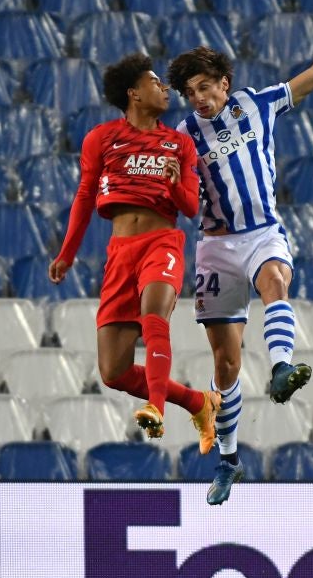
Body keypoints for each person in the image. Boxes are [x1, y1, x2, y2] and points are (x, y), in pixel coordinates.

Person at [166, 5, 313, 505]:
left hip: (261, 234)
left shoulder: (259, 104)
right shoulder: (183, 138)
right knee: (226, 362)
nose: (200, 99)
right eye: (190, 93)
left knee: (276, 278)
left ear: (225, 83)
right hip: (214, 248)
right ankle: (229, 458)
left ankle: (281, 367)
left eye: (206, 87)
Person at [49, 54, 221, 448]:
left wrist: (178, 185)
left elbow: (192, 207)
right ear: (134, 94)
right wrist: (67, 253)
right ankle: (198, 402)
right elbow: (84, 195)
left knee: (153, 315)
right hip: (120, 252)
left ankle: (156, 408)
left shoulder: (179, 144)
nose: (164, 88)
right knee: (113, 371)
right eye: (155, 82)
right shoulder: (101, 138)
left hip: (163, 242)